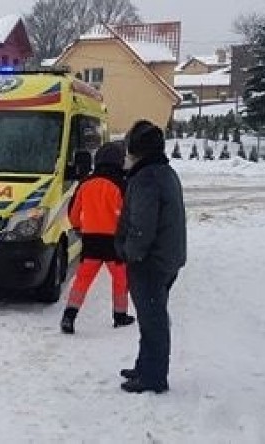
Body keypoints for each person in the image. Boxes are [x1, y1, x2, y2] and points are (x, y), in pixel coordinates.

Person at [115, 120, 187, 394]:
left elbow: (142, 226)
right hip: (165, 258)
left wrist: (129, 253)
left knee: (153, 320)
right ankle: (145, 366)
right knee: (150, 317)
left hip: (150, 262)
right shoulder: (162, 171)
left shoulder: (146, 178)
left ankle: (154, 376)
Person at [60, 142, 135, 334]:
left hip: (91, 240)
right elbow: (129, 215)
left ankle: (69, 315)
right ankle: (120, 315)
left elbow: (73, 213)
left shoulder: (86, 183)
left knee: (82, 280)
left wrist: (78, 227)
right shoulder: (122, 185)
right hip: (114, 243)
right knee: (120, 279)